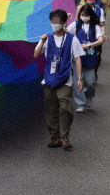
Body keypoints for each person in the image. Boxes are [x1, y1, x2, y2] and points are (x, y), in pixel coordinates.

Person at [34, 9, 84, 150]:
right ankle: (55, 137)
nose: (54, 24)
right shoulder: (47, 38)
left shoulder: (71, 39)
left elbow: (78, 57)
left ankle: (65, 136)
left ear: (63, 22)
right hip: (49, 80)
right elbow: (36, 55)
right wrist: (42, 41)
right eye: (52, 21)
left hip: (65, 80)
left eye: (57, 21)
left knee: (66, 108)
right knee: (50, 109)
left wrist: (79, 78)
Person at [67, 5, 104, 113]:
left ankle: (89, 96)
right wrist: (66, 20)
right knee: (78, 80)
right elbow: (65, 32)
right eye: (82, 15)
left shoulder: (95, 27)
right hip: (77, 57)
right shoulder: (76, 25)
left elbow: (100, 40)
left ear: (90, 15)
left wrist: (89, 45)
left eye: (86, 15)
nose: (84, 17)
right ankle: (80, 103)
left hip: (90, 58)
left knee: (91, 81)